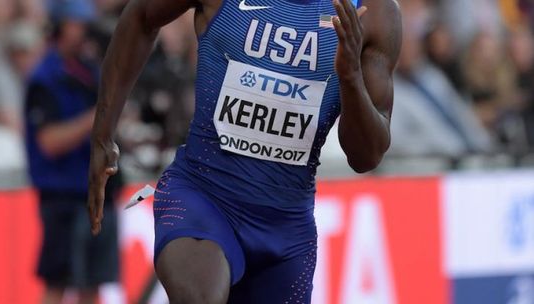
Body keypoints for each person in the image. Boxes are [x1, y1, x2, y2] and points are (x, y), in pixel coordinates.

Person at [88, 0, 401, 302]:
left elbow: (366, 156)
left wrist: (351, 79)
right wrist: (103, 134)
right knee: (199, 297)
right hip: (203, 194)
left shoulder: (374, 12)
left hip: (287, 228)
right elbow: (142, 16)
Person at [24, 1, 121, 303]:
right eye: (78, 24)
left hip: (97, 192)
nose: (85, 31)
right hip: (63, 198)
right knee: (58, 283)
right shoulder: (45, 77)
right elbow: (49, 142)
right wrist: (98, 117)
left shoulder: (90, 71)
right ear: (60, 26)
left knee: (93, 284)